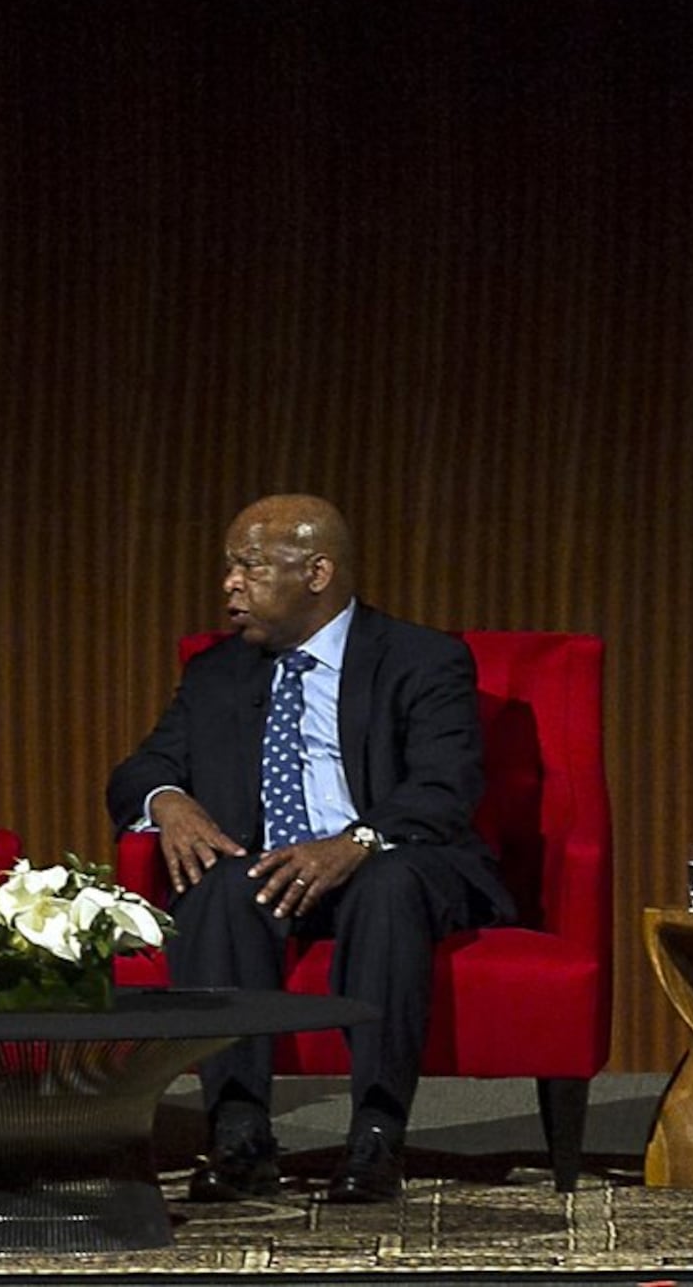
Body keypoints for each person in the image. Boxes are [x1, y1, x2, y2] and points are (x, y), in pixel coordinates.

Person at [103, 494, 510, 1207]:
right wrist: (168, 801)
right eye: (228, 566)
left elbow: (445, 789)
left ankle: (377, 1135)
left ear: (317, 571)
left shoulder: (420, 657)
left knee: (388, 885)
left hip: (392, 856)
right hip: (270, 871)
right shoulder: (218, 672)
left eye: (249, 565)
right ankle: (238, 1134)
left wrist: (354, 841)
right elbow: (139, 769)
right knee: (213, 884)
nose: (229, 583)